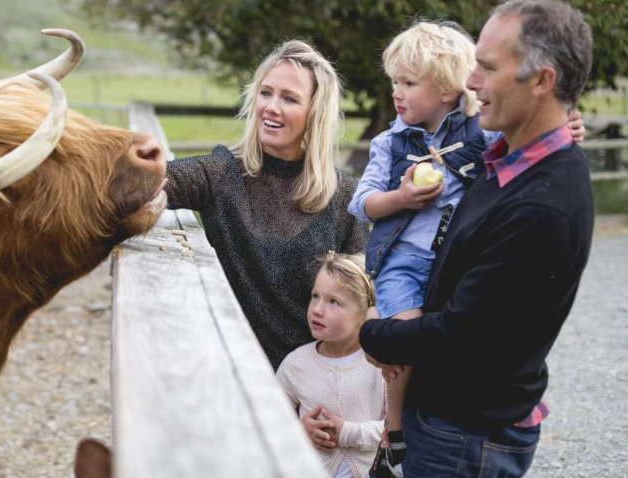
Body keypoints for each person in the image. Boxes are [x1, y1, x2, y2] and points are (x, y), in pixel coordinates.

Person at [359, 1, 595, 477]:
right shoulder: (505, 161)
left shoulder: (540, 206)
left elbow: (463, 337)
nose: (470, 82)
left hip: (466, 435)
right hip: (450, 422)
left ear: (542, 81)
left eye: (486, 68)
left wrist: (372, 332)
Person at [164, 40, 368, 371]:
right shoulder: (221, 174)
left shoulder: (344, 195)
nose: (271, 107)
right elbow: (148, 182)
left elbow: (360, 304)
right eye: (266, 93)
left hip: (313, 384)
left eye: (289, 98)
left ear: (314, 111)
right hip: (233, 374)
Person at [276, 251, 384, 478]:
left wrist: (347, 433)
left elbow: (395, 430)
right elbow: (271, 421)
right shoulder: (296, 364)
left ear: (364, 312)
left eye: (333, 302)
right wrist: (299, 431)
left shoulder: (381, 364)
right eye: (315, 296)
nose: (317, 309)